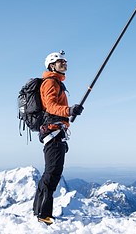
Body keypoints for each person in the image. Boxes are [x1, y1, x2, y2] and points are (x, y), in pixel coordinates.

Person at [33, 50, 83, 225]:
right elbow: (51, 106)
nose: (65, 63)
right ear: (52, 65)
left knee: (50, 173)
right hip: (53, 133)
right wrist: (68, 111)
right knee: (52, 174)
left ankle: (38, 211)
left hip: (56, 132)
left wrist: (68, 113)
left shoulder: (56, 82)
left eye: (65, 61)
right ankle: (44, 215)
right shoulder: (50, 83)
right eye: (61, 61)